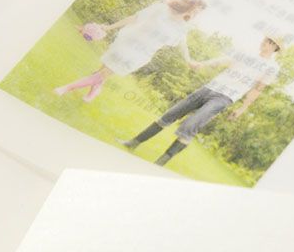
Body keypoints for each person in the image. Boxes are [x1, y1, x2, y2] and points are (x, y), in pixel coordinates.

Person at [119, 34, 283, 166]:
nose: (265, 43)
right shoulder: (247, 54)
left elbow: (257, 89)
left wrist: (242, 108)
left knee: (191, 125)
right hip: (208, 88)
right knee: (170, 114)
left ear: (275, 48)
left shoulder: (272, 67)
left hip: (224, 98)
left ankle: (161, 162)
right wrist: (202, 64)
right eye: (265, 39)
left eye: (270, 42)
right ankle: (133, 143)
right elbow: (223, 60)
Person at [54, 0, 206, 102]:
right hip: (126, 42)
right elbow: (135, 18)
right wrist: (109, 27)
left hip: (140, 54)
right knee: (103, 70)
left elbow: (182, 44)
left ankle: (67, 88)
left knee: (103, 73)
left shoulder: (182, 27)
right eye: (196, 10)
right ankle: (95, 90)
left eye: (199, 12)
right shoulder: (161, 9)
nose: (196, 14)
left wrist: (189, 60)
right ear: (189, 5)